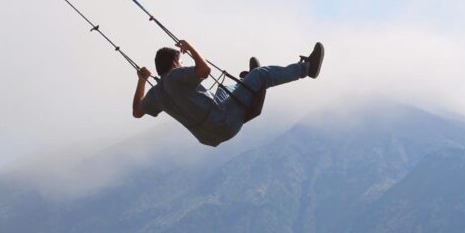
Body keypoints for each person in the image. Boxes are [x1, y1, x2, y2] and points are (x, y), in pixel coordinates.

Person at [132, 40, 324, 146]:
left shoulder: (156, 94)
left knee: (220, 92)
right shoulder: (175, 76)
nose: (183, 65)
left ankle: (244, 82)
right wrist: (190, 48)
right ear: (174, 64)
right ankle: (307, 68)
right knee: (260, 75)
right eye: (181, 61)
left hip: (208, 137)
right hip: (224, 121)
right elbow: (204, 71)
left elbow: (137, 112)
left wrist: (141, 80)